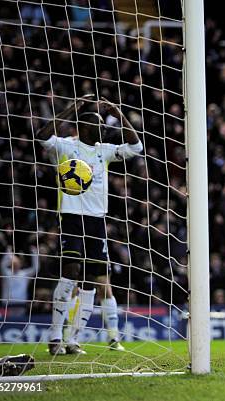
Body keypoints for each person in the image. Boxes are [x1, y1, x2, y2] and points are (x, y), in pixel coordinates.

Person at [36, 94, 143, 355]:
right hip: (71, 217)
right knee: (70, 271)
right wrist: (70, 109)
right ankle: (54, 336)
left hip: (97, 221)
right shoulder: (65, 146)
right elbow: (42, 136)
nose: (104, 128)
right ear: (84, 126)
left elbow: (136, 147)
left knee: (92, 280)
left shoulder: (103, 151)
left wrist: (119, 114)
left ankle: (73, 339)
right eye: (99, 124)